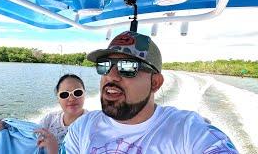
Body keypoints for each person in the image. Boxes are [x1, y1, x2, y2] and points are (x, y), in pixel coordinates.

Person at [61, 31, 239, 153]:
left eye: (127, 67)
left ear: (155, 82)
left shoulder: (188, 130)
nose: (111, 76)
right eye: (105, 66)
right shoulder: (81, 128)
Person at [0, 74, 87, 153]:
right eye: (64, 94)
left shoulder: (93, 124)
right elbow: (31, 140)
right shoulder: (50, 119)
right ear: (58, 99)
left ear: (84, 94)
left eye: (77, 93)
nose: (71, 98)